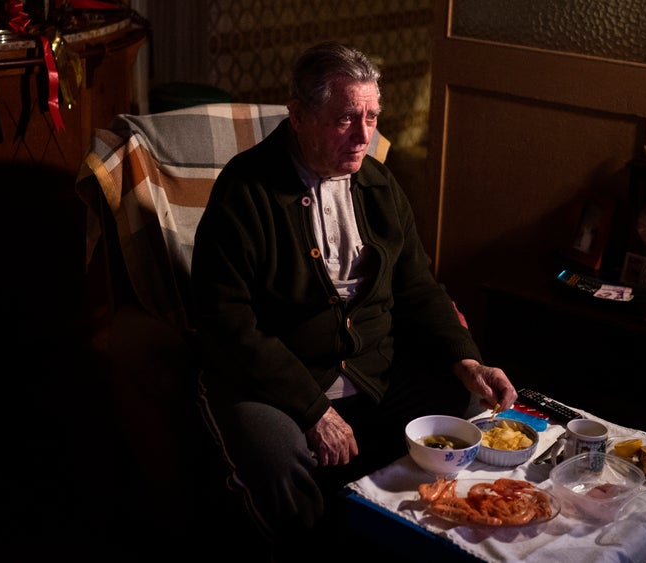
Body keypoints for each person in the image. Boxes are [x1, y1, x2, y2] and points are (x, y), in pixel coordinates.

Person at [190, 41, 518, 556]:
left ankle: (404, 538)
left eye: (372, 116)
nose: (365, 135)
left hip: (371, 370)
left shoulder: (378, 183)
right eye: (346, 118)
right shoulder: (245, 191)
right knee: (278, 458)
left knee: (462, 402)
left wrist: (466, 357)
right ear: (298, 117)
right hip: (274, 381)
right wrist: (312, 409)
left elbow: (417, 285)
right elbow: (227, 322)